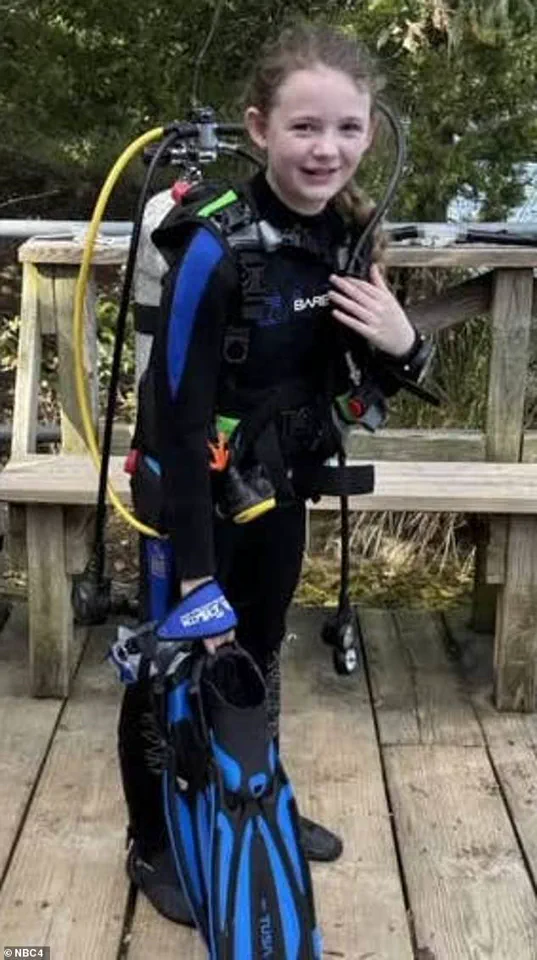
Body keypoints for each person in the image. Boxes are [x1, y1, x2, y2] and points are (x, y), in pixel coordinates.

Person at [119, 21, 430, 926]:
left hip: (277, 488)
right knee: (170, 666)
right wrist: (196, 576)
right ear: (259, 129)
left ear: (370, 130)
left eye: (346, 127)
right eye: (304, 127)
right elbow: (176, 418)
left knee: (257, 650)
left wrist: (402, 341)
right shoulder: (215, 250)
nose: (326, 148)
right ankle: (152, 840)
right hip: (189, 499)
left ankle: (254, 805)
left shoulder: (346, 237)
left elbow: (366, 382)